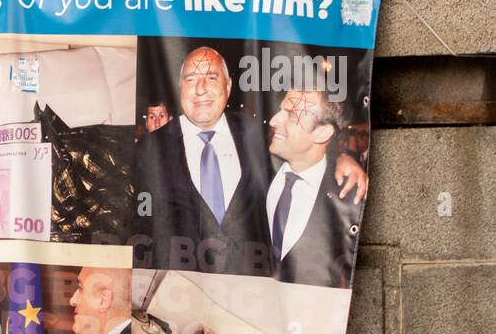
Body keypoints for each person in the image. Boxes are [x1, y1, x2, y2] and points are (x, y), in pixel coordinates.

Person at [132, 46, 368, 277]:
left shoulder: (255, 137)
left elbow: (302, 154)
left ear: (229, 85)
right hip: (178, 299)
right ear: (179, 85)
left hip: (252, 298)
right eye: (191, 78)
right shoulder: (147, 150)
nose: (201, 89)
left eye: (212, 78)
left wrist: (342, 158)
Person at [266, 87, 359, 288]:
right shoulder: (253, 170)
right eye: (280, 110)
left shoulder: (349, 196)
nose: (274, 120)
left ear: (321, 133)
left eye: (290, 114)